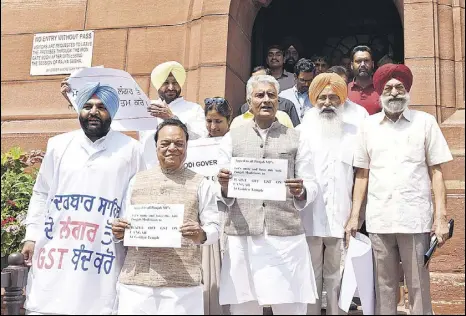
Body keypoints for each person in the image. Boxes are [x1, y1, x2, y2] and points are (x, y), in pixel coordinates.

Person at [22, 82, 145, 315]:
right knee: (49, 302)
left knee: (98, 306)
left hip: (102, 251)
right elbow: (41, 192)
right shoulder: (58, 145)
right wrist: (31, 236)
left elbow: (136, 195)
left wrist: (128, 227)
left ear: (111, 112)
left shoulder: (131, 149)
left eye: (101, 107)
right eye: (87, 106)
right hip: (58, 247)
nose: (93, 112)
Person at [345, 64, 453, 315]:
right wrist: (354, 216)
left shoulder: (425, 122)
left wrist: (440, 218)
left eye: (399, 87)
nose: (394, 92)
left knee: (418, 285)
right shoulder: (368, 126)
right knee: (383, 286)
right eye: (389, 88)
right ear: (381, 92)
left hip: (414, 218)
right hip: (379, 219)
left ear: (407, 92)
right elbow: (362, 174)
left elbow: (436, 172)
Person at [217, 75, 319, 315]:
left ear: (278, 100)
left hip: (284, 235)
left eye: (271, 95)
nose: (266, 100)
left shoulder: (296, 137)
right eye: (260, 95)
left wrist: (301, 190)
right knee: (244, 305)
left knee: (290, 304)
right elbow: (217, 182)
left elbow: (312, 183)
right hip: (243, 235)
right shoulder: (232, 137)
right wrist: (223, 184)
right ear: (249, 101)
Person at [112, 119, 220, 315]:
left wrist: (200, 234)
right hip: (136, 285)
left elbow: (214, 228)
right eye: (165, 143)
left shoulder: (201, 183)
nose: (172, 148)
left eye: (179, 144)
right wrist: (119, 231)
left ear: (187, 147)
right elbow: (123, 223)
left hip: (182, 286)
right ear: (156, 147)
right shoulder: (137, 180)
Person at [298, 73, 357, 315]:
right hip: (308, 215)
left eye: (334, 97)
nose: (327, 102)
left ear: (342, 100)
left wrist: (356, 214)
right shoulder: (300, 131)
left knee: (337, 274)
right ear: (313, 100)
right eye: (322, 97)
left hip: (341, 214)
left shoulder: (353, 132)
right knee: (310, 274)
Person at [141, 61, 208, 166]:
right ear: (158, 84)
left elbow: (201, 138)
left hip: (183, 170)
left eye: (175, 83)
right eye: (166, 83)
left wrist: (172, 118)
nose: (171, 88)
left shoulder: (194, 109)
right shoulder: (147, 107)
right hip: (149, 170)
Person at [202, 97, 233, 315]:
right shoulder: (196, 145)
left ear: (228, 121)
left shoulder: (235, 143)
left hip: (229, 212)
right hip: (205, 214)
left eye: (218, 121)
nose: (213, 127)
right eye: (209, 121)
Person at [347, 46, 380, 115]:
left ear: (373, 64)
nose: (362, 65)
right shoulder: (345, 90)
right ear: (352, 65)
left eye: (366, 61)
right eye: (358, 61)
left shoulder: (382, 89)